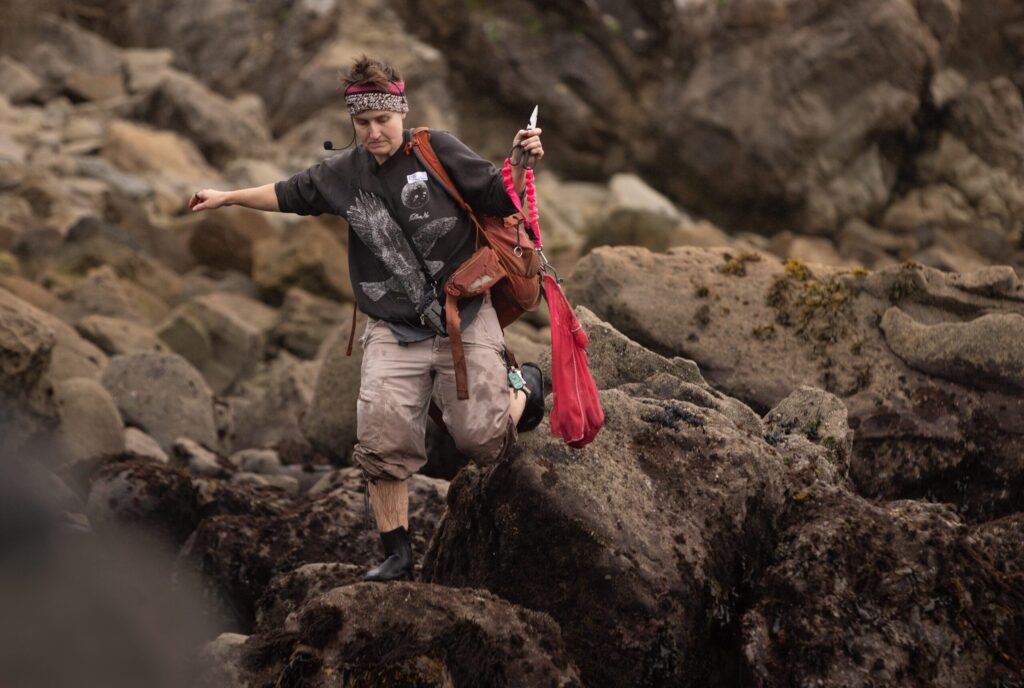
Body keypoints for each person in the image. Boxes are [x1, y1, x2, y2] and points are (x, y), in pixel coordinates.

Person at [189, 56, 545, 582]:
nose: (374, 131)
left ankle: (529, 388)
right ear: (352, 123)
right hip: (392, 329)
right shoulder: (342, 174)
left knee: (481, 442)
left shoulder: (437, 150)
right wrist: (227, 198)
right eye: (363, 123)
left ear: (400, 111)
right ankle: (398, 555)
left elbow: (496, 194)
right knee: (381, 444)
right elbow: (288, 193)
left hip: (464, 314)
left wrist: (519, 162)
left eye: (383, 119)